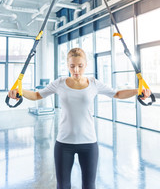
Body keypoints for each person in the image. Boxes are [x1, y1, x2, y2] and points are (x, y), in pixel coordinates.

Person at [8, 47, 151, 189]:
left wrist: (138, 91)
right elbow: (37, 95)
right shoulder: (59, 83)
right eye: (72, 66)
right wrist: (19, 91)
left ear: (86, 65)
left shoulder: (94, 83)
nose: (76, 70)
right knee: (63, 186)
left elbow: (117, 94)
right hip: (64, 143)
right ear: (67, 65)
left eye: (80, 66)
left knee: (89, 186)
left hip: (89, 143)